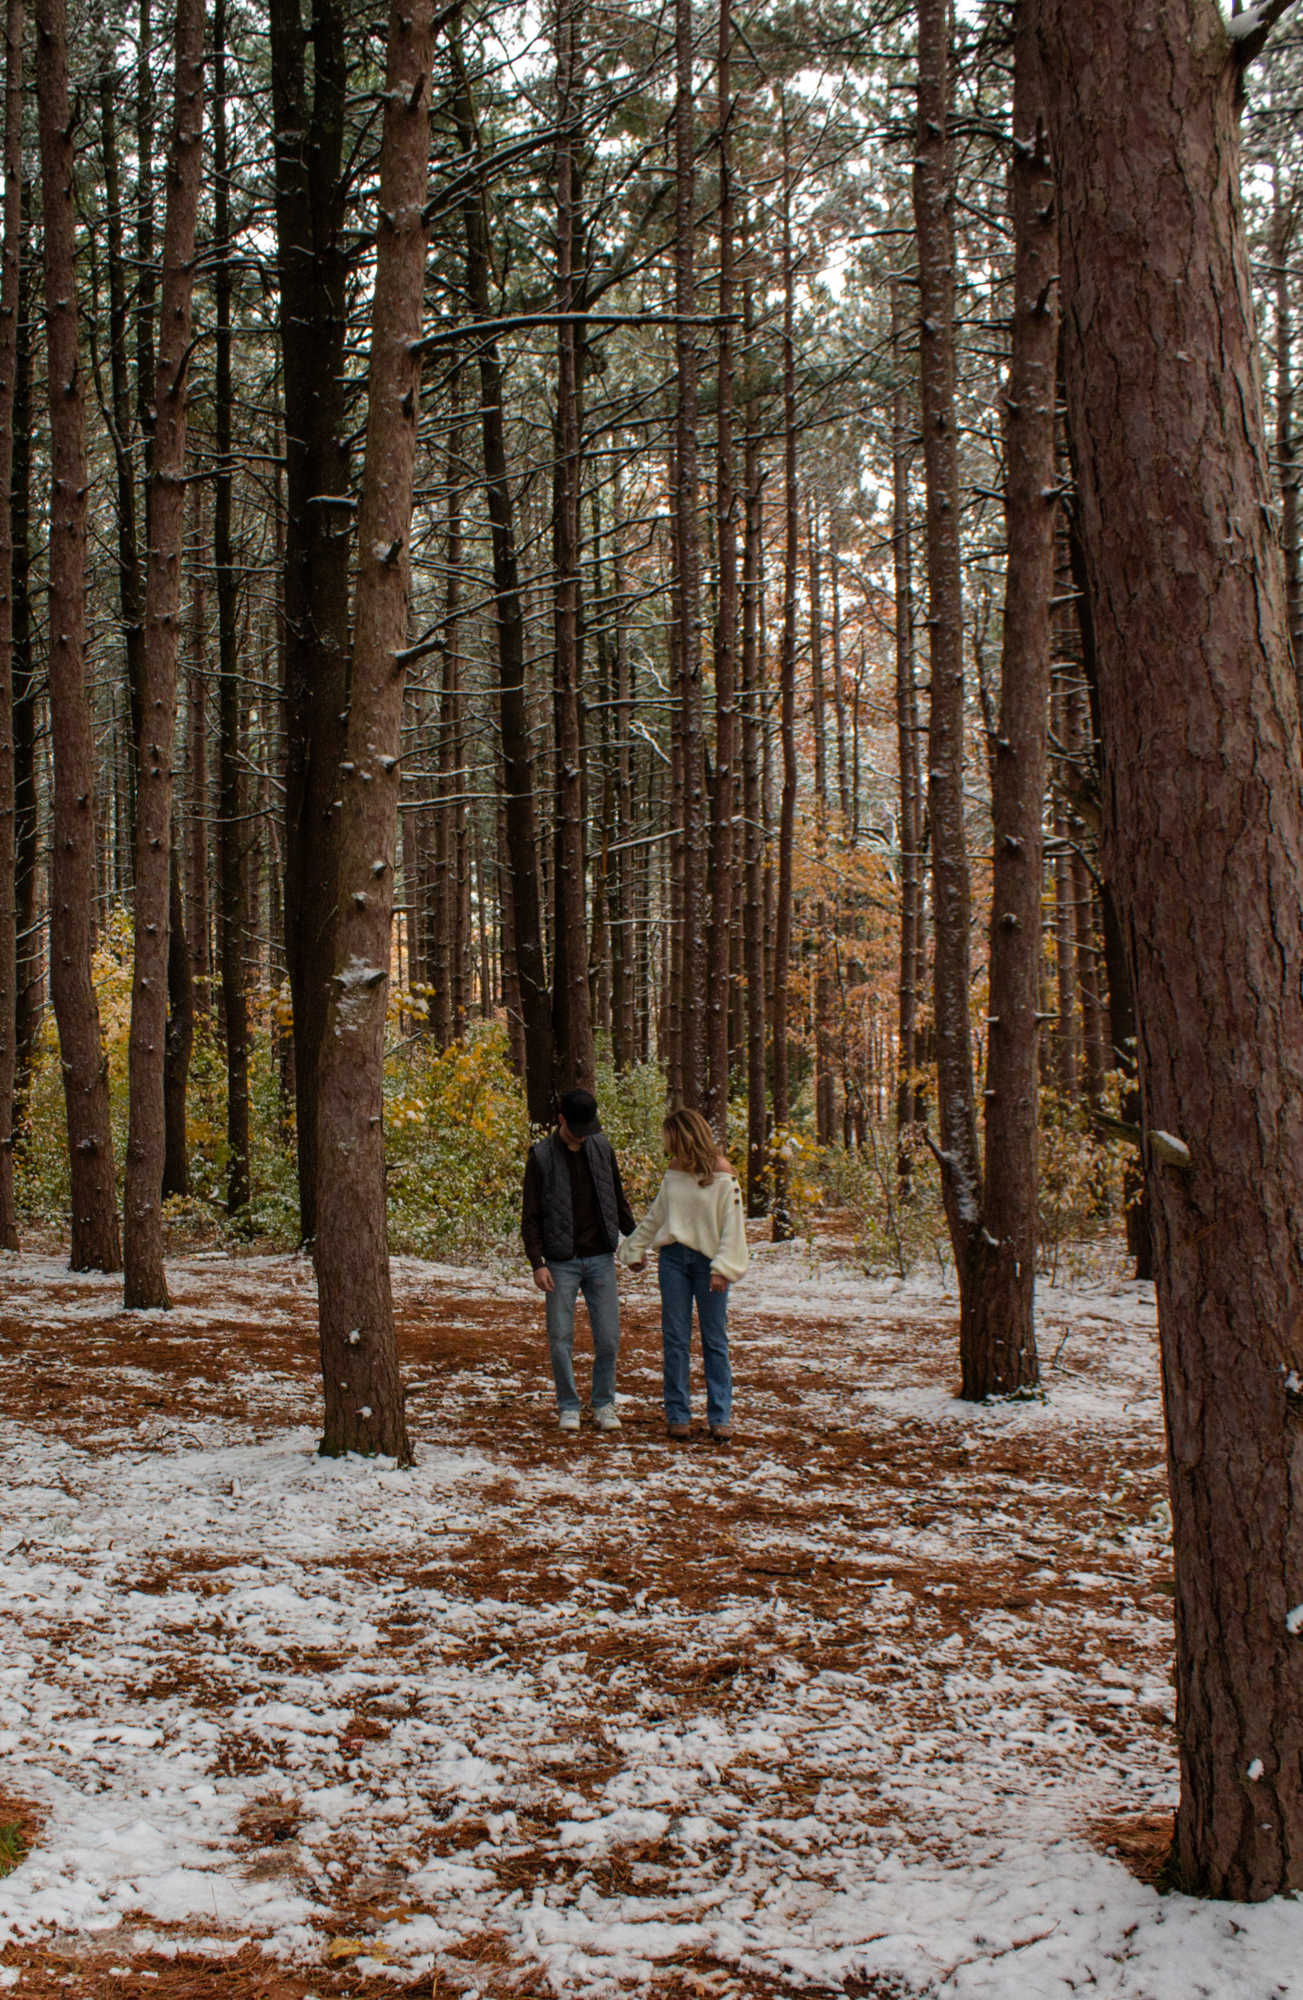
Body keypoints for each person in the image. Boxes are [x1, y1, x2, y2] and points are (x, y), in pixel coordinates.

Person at [619, 1107, 749, 1442]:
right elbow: (657, 1215)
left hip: (709, 1263)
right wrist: (635, 1249)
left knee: (714, 1339)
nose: (667, 1144)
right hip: (673, 1260)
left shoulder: (723, 1174)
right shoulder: (674, 1171)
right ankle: (678, 1415)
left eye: (670, 1137)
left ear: (684, 1136)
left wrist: (723, 1268)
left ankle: (720, 1416)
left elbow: (733, 1226)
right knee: (675, 1338)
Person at [522, 1087, 637, 1434]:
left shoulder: (601, 1147)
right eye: (577, 1129)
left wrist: (636, 1241)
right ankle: (568, 1406)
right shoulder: (541, 1157)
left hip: (601, 1257)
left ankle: (604, 1403)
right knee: (560, 1338)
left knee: (609, 1338)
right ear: (561, 1120)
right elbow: (530, 1215)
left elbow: (617, 1199)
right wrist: (537, 1263)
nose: (584, 1135)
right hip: (560, 1262)